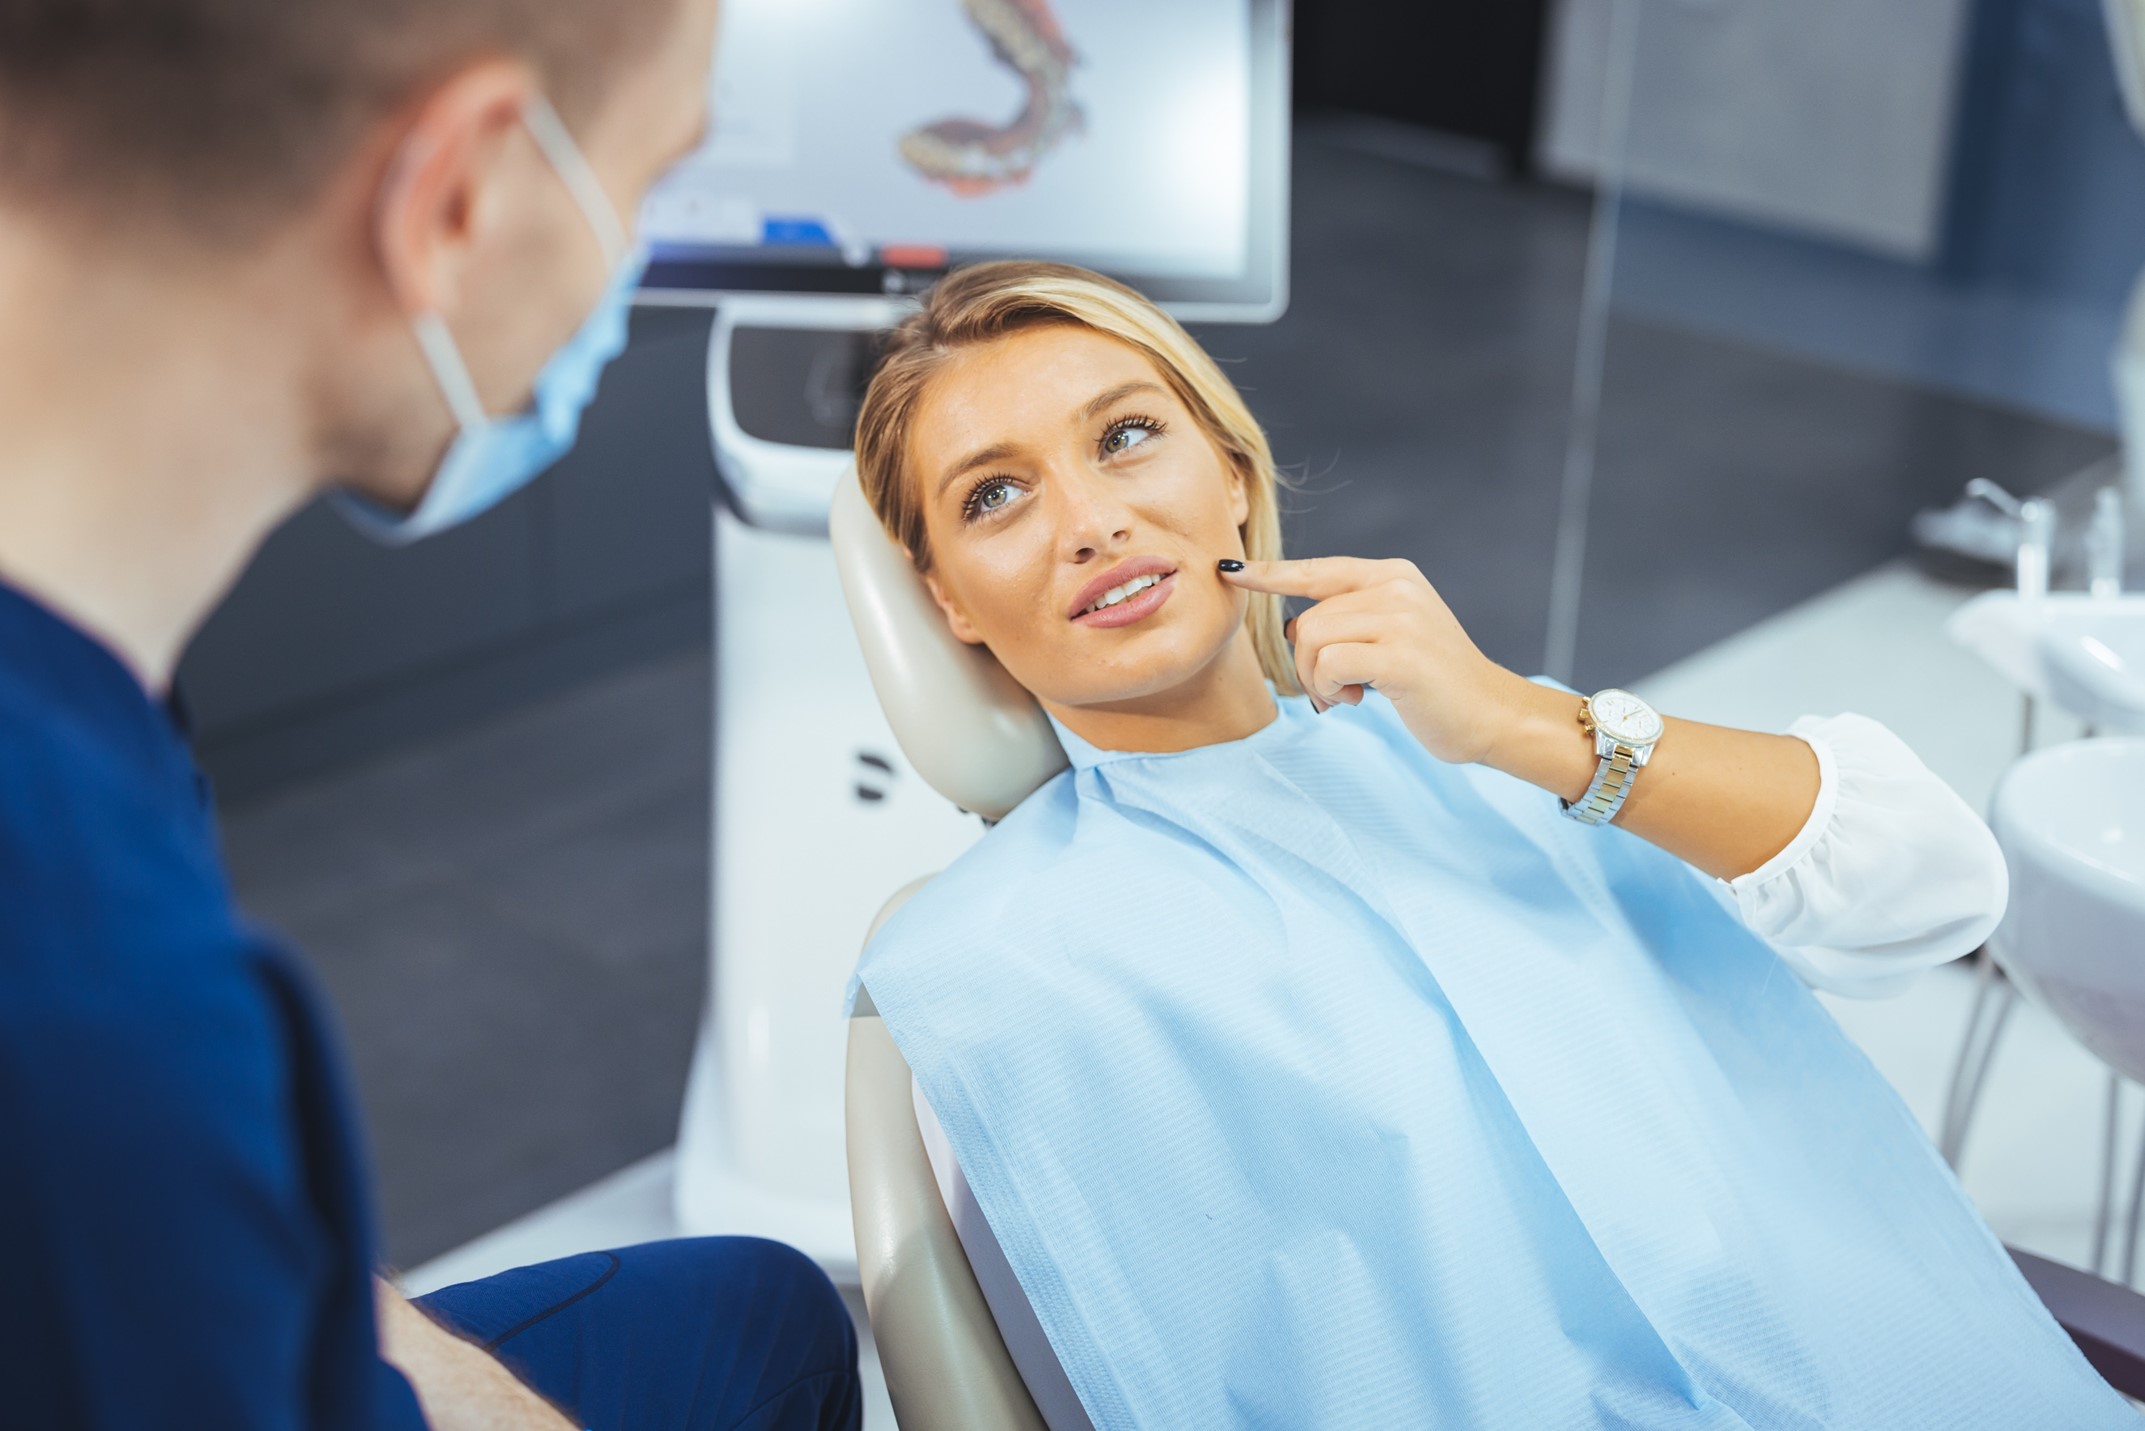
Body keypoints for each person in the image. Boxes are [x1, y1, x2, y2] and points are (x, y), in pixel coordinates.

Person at [847, 261, 2138, 1426]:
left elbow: (1935, 889)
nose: (1089, 520)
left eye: (1127, 437)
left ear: (1230, 472)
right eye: (997, 495)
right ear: (948, 598)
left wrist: (1530, 726)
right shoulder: (995, 973)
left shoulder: (1496, 750)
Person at [0, 2, 861, 1428]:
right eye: (648, 181)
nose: (623, 259)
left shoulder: (98, 703)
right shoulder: (105, 1004)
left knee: (753, 1312)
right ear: (455, 197)